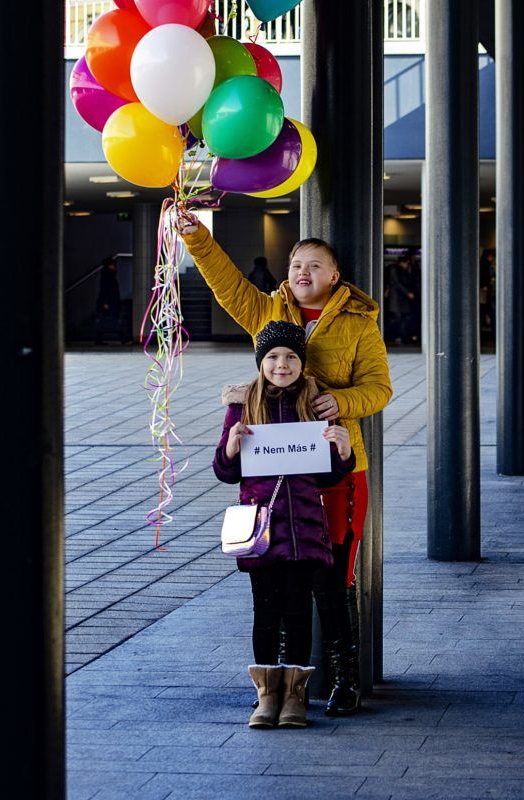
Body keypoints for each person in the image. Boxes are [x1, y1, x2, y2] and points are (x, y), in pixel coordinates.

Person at [176, 209, 392, 716]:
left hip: (336, 469)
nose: (302, 273)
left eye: (314, 266)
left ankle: (345, 680)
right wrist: (198, 238)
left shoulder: (359, 326)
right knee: (276, 581)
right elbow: (228, 285)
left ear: (334, 276)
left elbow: (379, 389)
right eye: (296, 264)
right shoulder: (269, 312)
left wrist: (341, 402)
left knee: (333, 577)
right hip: (273, 475)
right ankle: (278, 689)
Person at [213, 321, 354, 729]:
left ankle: (294, 697)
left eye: (291, 357)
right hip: (261, 531)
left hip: (305, 528)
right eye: (273, 357)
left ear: (301, 363)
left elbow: (326, 476)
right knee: (265, 612)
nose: (282, 364)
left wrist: (342, 452)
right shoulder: (242, 407)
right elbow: (225, 471)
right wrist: (231, 447)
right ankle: (266, 696)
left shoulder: (312, 403)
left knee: (297, 612)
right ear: (261, 363)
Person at [386, 250, 419, 344]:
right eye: (406, 264)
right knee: (396, 318)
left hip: (401, 300)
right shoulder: (394, 269)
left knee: (400, 318)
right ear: (403, 262)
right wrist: (408, 293)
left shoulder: (402, 270)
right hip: (396, 299)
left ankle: (399, 336)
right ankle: (389, 334)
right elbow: (397, 283)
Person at [95, 256, 127, 345]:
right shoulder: (108, 275)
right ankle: (123, 338)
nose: (115, 267)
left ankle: (99, 338)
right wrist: (105, 302)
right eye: (113, 265)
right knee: (113, 319)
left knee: (108, 320)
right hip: (110, 302)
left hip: (110, 301)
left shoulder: (108, 275)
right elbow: (105, 289)